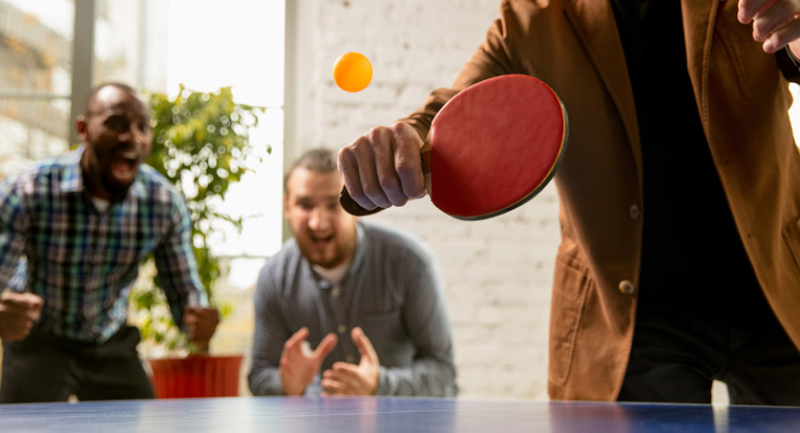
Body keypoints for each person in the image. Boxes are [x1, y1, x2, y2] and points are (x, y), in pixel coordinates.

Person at [337, 0, 800, 405]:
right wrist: (403, 142)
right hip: (630, 315)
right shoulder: (528, 18)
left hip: (779, 285)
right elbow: (449, 114)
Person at [0, 82, 220, 403]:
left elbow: (185, 291)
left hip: (109, 341)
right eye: (115, 123)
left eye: (142, 127)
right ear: (83, 129)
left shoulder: (163, 204)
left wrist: (198, 323)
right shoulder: (28, 192)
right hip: (40, 338)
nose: (131, 137)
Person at [248, 148, 457, 397]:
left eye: (333, 204)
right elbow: (260, 374)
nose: (318, 223)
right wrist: (289, 386)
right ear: (287, 207)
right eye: (305, 205)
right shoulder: (273, 278)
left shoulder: (410, 262)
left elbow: (443, 372)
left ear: (357, 205)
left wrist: (378, 384)